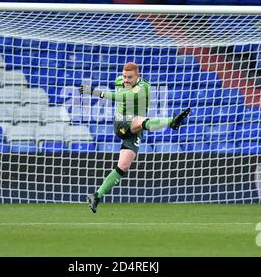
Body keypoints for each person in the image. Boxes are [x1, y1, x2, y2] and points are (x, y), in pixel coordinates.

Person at [79, 62, 190, 213]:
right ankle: (171, 121)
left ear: (137, 76)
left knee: (123, 166)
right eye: (124, 76)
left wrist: (93, 92)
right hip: (121, 123)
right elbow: (120, 97)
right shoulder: (119, 81)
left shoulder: (143, 88)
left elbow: (122, 96)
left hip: (137, 126)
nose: (125, 80)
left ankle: (96, 195)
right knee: (139, 121)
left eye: (129, 77)